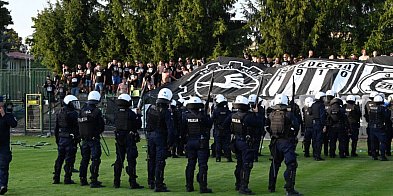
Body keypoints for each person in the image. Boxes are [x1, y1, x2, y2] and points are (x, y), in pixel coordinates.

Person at [224, 95, 262, 195]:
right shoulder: (249, 116)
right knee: (246, 165)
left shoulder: (233, 115)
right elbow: (260, 123)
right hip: (246, 143)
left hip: (237, 141)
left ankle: (238, 184)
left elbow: (225, 125)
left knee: (239, 164)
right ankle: (243, 187)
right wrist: (257, 113)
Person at [266, 94, 301, 196]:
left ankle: (271, 186)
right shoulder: (289, 115)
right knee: (291, 164)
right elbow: (297, 126)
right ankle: (289, 189)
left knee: (274, 164)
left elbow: (267, 126)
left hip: (275, 142)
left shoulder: (271, 114)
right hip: (286, 142)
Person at [146, 88, 175, 192]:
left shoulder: (151, 108)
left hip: (151, 136)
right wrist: (170, 143)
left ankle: (151, 181)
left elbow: (147, 123)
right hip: (160, 137)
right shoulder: (166, 112)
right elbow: (170, 130)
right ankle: (159, 184)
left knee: (151, 160)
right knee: (160, 161)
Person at [182, 96, 213, 193]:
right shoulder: (202, 115)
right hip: (201, 142)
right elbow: (209, 124)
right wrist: (208, 114)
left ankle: (189, 186)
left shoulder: (185, 115)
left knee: (191, 164)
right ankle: (203, 187)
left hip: (190, 141)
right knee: (202, 165)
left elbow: (183, 130)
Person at [113, 94, 144, 189]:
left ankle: (116, 182)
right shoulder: (131, 114)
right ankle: (132, 182)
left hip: (119, 138)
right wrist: (138, 115)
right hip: (129, 139)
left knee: (119, 160)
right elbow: (138, 125)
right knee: (131, 160)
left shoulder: (116, 113)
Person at [78, 91, 105, 188]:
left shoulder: (82, 110)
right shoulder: (97, 111)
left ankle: (82, 179)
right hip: (94, 139)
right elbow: (101, 125)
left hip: (84, 139)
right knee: (95, 159)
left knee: (84, 159)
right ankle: (93, 180)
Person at [53, 95, 80, 185]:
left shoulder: (59, 112)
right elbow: (77, 127)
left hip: (61, 138)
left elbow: (56, 128)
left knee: (59, 159)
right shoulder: (73, 114)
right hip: (70, 139)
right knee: (69, 160)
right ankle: (67, 178)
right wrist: (77, 138)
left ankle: (56, 178)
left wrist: (57, 140)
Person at [0, 96, 18, 195]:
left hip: (4, 145)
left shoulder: (7, 114)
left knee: (3, 165)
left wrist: (4, 116)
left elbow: (14, 124)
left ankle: (3, 185)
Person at [367, 95, 390, 161]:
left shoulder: (371, 108)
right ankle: (382, 156)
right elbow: (386, 117)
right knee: (383, 142)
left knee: (373, 142)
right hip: (380, 127)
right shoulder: (382, 108)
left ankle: (374, 156)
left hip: (372, 127)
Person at [212, 94, 232, 162]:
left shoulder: (215, 111)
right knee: (226, 144)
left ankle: (218, 157)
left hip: (217, 129)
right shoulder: (228, 111)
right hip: (226, 130)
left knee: (218, 144)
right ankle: (228, 157)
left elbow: (212, 119)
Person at [248, 94, 266, 161]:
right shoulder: (248, 108)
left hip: (257, 129)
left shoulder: (260, 109)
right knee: (253, 143)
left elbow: (261, 120)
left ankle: (254, 156)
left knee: (255, 143)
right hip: (252, 128)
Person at [310, 92, 327, 161]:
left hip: (313, 123)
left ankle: (314, 154)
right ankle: (317, 155)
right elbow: (322, 116)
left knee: (314, 139)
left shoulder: (313, 105)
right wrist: (324, 125)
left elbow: (310, 112)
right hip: (319, 123)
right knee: (319, 140)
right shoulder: (321, 105)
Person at [364, 91, 379, 156]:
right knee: (377, 138)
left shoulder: (367, 103)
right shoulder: (378, 104)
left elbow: (366, 114)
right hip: (377, 124)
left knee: (370, 138)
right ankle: (376, 151)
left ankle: (370, 151)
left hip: (370, 123)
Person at [323, 90, 335, 156]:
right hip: (331, 123)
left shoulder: (323, 104)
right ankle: (331, 152)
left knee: (325, 140)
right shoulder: (333, 105)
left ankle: (325, 152)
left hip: (325, 123)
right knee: (331, 139)